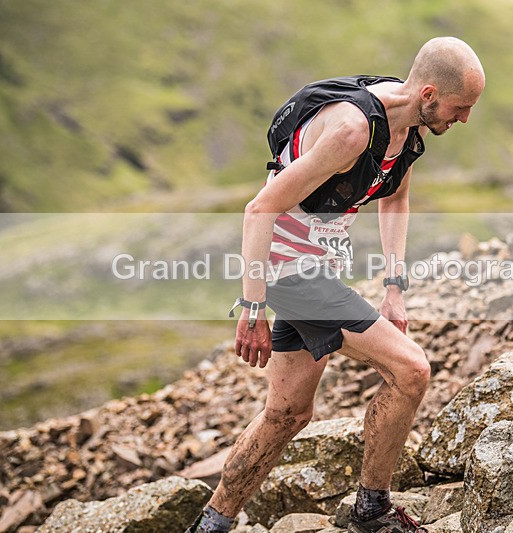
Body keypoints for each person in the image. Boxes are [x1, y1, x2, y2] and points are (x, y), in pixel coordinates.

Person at [188, 36, 485, 533]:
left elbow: (394, 200)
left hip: (315, 271)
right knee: (412, 370)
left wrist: (394, 286)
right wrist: (253, 308)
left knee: (287, 413)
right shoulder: (351, 129)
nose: (465, 119)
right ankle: (372, 510)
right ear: (430, 92)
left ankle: (212, 522)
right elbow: (260, 208)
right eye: (461, 108)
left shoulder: (408, 131)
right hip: (285, 272)